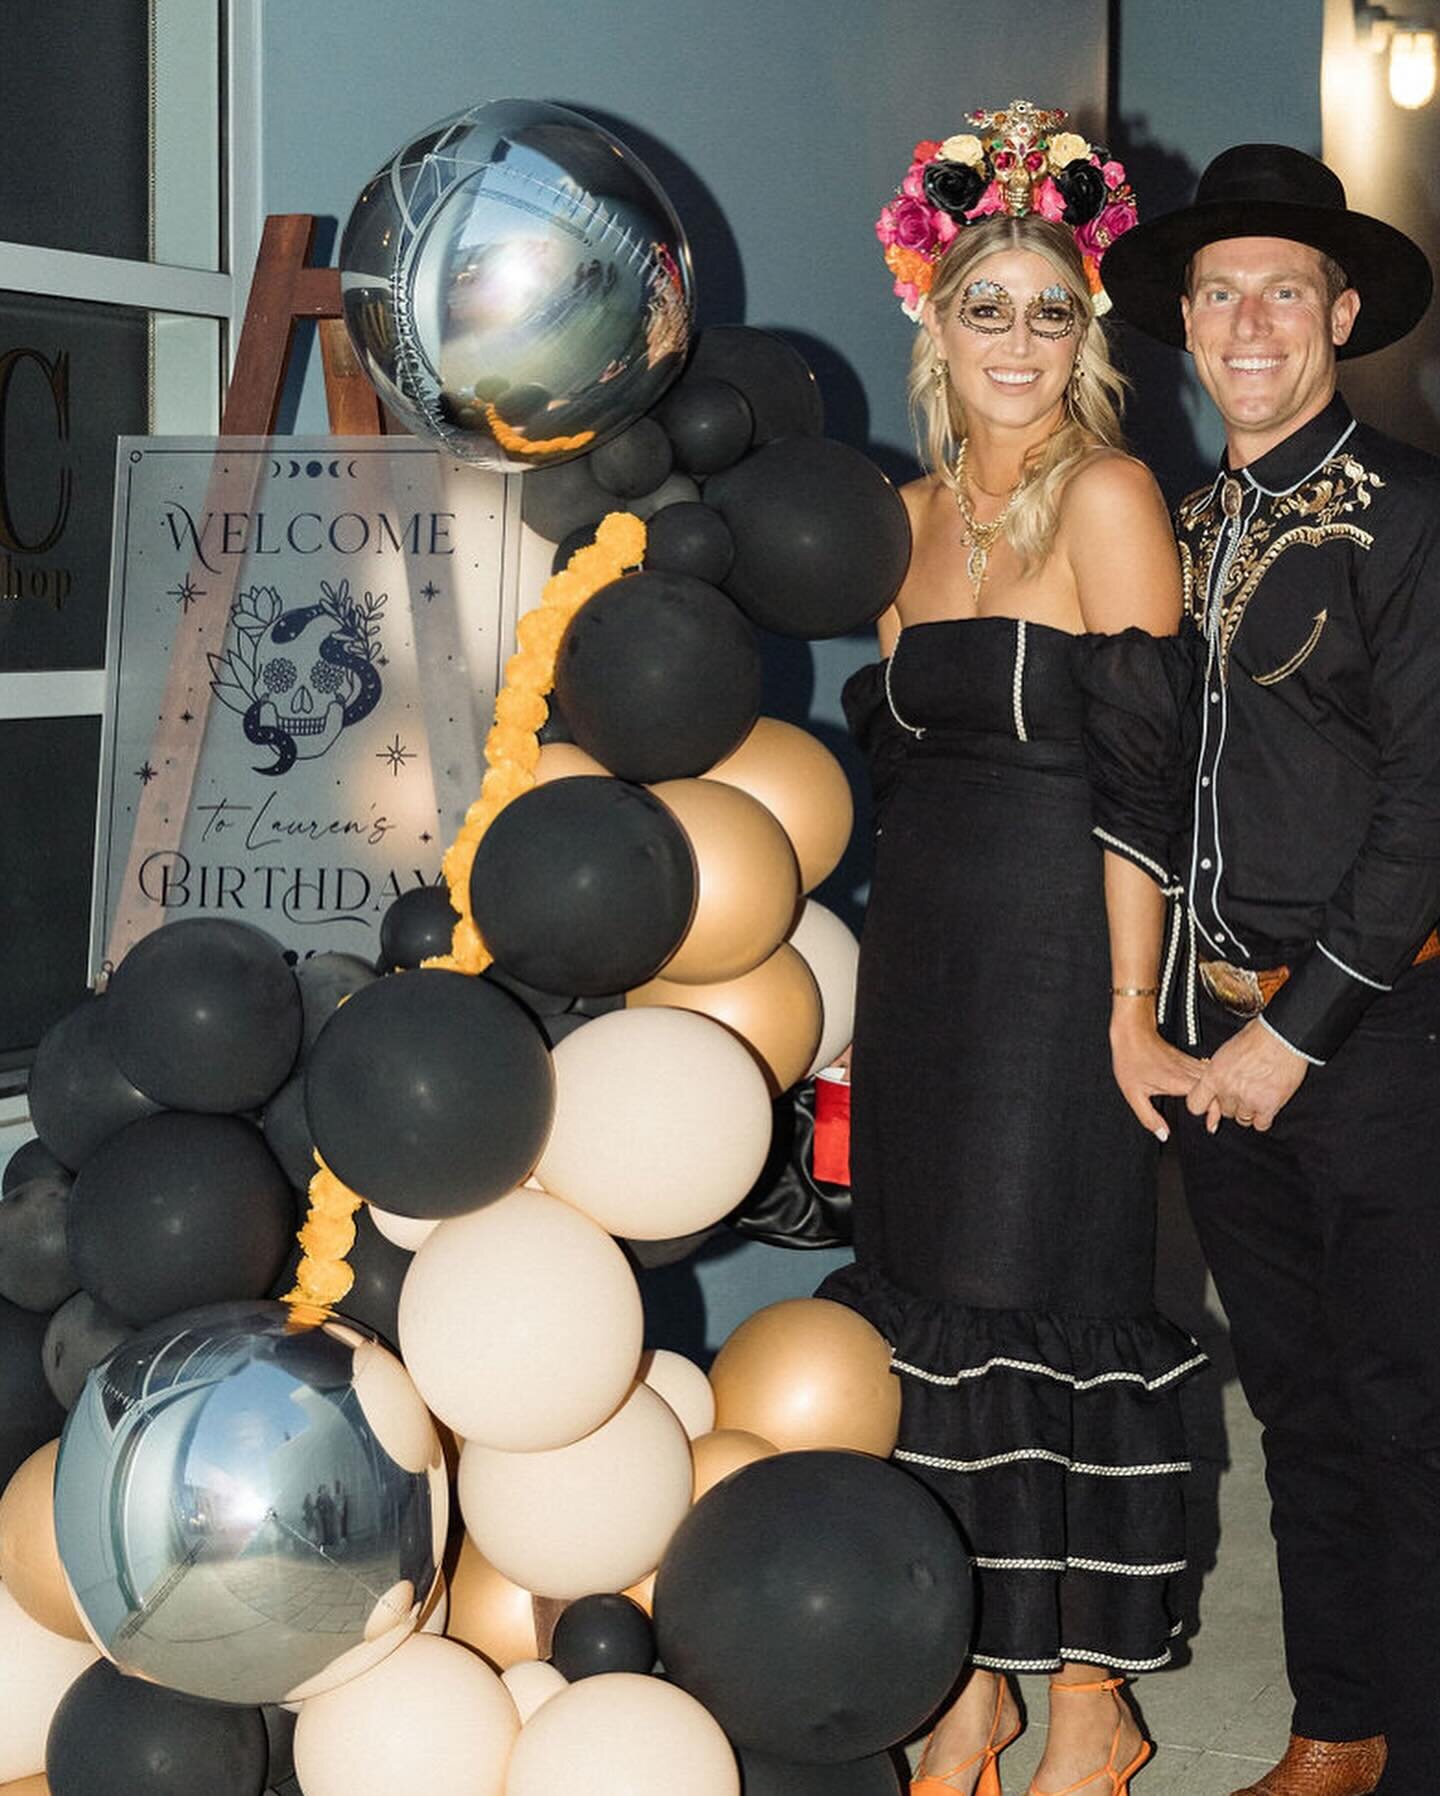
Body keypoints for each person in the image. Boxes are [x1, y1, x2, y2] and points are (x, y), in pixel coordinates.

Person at [819, 102, 1206, 1796]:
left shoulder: (1115, 498)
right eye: (991, 305)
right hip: (925, 966)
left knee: (1052, 1297)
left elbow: (1150, 779)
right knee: (931, 1303)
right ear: (934, 315)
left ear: (1089, 330)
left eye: (1055, 310)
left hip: (1067, 956)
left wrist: (1134, 1006)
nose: (1023, 344)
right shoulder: (898, 525)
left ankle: (1099, 1703)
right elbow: (894, 790)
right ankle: (977, 1686)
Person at [1104, 146, 1440, 1796]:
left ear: (1342, 310)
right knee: (1298, 1415)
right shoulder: (1173, 526)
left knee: (1411, 1419)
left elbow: (1427, 808)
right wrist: (1168, 1021)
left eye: (1284, 291)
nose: (1250, 320)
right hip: (1209, 1057)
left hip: (1373, 1046)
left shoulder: (1416, 517)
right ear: (1183, 319)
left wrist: (1299, 1033)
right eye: (1220, 290)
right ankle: (1337, 1727)